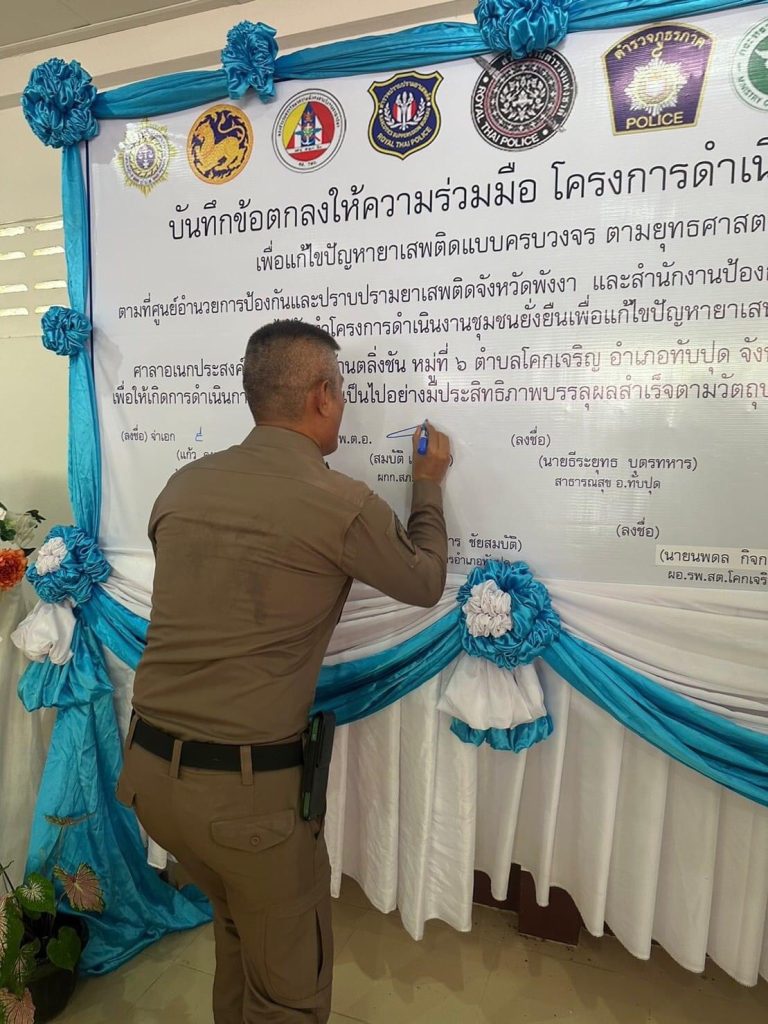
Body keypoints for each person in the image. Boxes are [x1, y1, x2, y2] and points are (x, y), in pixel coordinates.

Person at [117, 319, 451, 1023]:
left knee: (239, 934)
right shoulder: (339, 502)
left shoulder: (182, 485)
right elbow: (424, 582)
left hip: (151, 781)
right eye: (344, 391)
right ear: (322, 395)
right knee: (289, 994)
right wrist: (426, 485)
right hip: (245, 806)